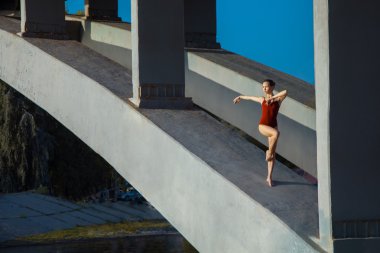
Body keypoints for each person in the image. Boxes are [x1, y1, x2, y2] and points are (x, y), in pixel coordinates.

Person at [233, 79, 287, 187]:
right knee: (276, 134)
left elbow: (285, 92)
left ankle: (269, 177)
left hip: (273, 126)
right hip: (263, 126)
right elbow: (249, 97)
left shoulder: (278, 100)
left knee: (273, 154)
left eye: (266, 87)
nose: (264, 89)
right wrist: (239, 97)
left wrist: (272, 98)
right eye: (263, 87)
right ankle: (268, 153)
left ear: (272, 87)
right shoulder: (262, 99)